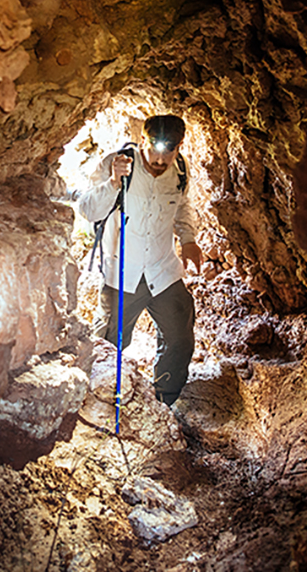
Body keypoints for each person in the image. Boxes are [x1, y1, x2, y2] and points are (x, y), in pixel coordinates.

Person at [77, 114, 202, 405]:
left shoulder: (180, 169)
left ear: (179, 146)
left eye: (167, 152)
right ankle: (99, 401)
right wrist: (112, 182)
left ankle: (164, 400)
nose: (159, 160)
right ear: (142, 140)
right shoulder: (116, 162)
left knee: (179, 337)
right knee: (108, 343)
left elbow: (182, 206)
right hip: (123, 273)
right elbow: (88, 209)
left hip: (163, 269)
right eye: (153, 150)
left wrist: (188, 240)